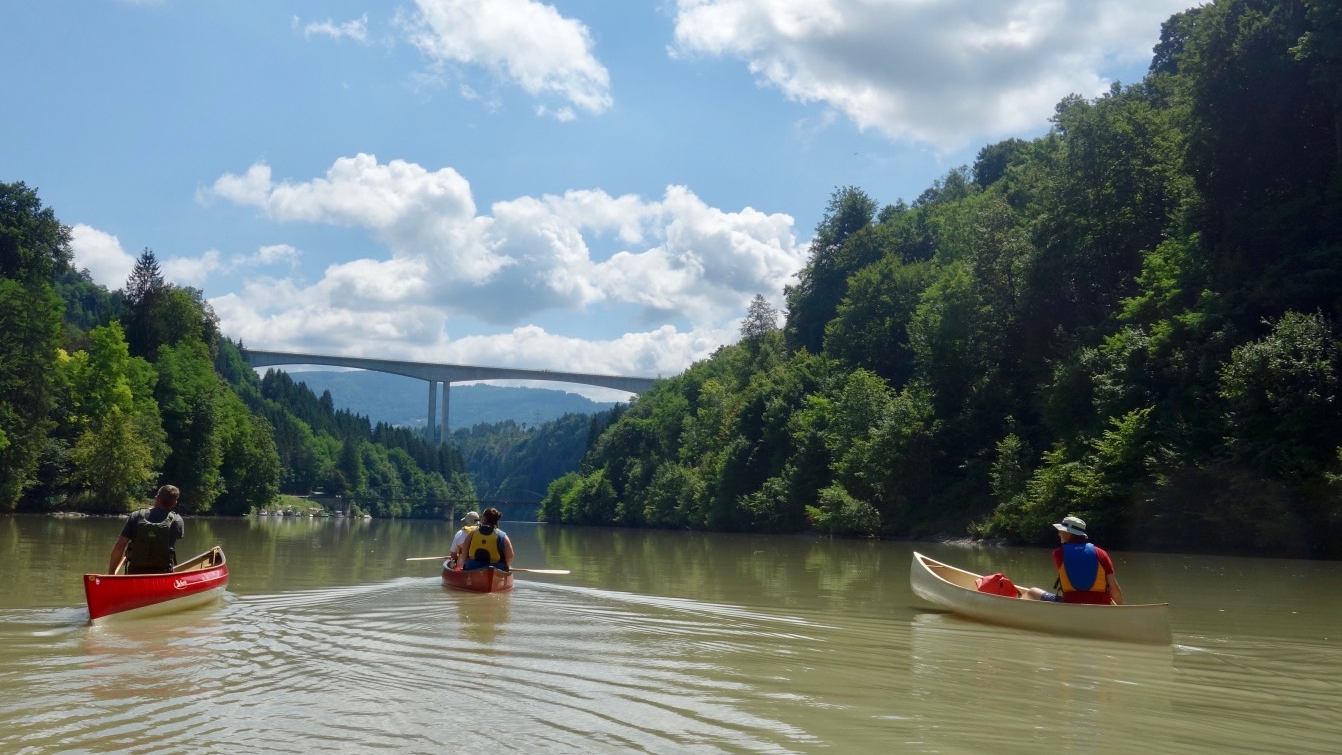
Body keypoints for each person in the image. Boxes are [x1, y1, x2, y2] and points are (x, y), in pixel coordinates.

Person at [1027, 515, 1124, 605]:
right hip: (1101, 605)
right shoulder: (1101, 553)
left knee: (1032, 591)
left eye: (1061, 530)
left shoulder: (1059, 553)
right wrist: (1119, 609)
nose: (1059, 533)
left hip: (1071, 604)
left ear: (1069, 533)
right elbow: (1114, 588)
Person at [107, 485, 185, 574]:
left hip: (134, 573)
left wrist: (111, 574)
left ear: (157, 497)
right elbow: (179, 536)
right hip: (163, 575)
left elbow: (119, 547)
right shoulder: (177, 520)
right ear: (175, 503)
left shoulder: (136, 516)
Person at [460, 507, 514, 571]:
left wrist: (465, 563)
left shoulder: (472, 533)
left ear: (484, 518)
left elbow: (464, 553)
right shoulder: (502, 536)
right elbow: (510, 557)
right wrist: (506, 565)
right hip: (496, 568)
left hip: (472, 567)